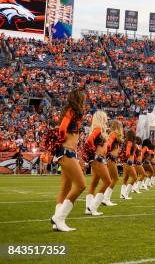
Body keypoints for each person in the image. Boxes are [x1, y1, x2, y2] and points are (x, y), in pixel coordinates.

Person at [49, 89, 86, 232]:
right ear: (77, 100)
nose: (84, 102)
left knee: (65, 188)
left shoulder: (74, 114)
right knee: (81, 185)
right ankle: (59, 218)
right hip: (66, 153)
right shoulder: (71, 111)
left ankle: (56, 222)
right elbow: (62, 128)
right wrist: (63, 141)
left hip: (68, 152)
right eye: (82, 99)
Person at [84, 110, 111, 216]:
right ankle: (93, 207)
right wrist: (93, 152)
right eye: (105, 117)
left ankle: (88, 207)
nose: (106, 119)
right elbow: (89, 140)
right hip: (98, 159)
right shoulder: (98, 129)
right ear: (101, 118)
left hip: (98, 158)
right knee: (107, 182)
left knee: (94, 183)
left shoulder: (99, 130)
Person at [102, 119, 123, 206]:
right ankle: (106, 199)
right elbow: (108, 144)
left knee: (111, 179)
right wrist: (109, 153)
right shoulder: (113, 134)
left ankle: (105, 198)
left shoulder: (115, 134)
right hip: (111, 158)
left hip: (112, 158)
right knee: (115, 179)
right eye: (120, 126)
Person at [120, 129, 136, 199]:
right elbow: (127, 152)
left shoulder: (126, 142)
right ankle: (125, 194)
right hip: (128, 162)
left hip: (125, 162)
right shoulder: (129, 142)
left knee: (125, 178)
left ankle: (122, 194)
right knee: (134, 177)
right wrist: (129, 159)